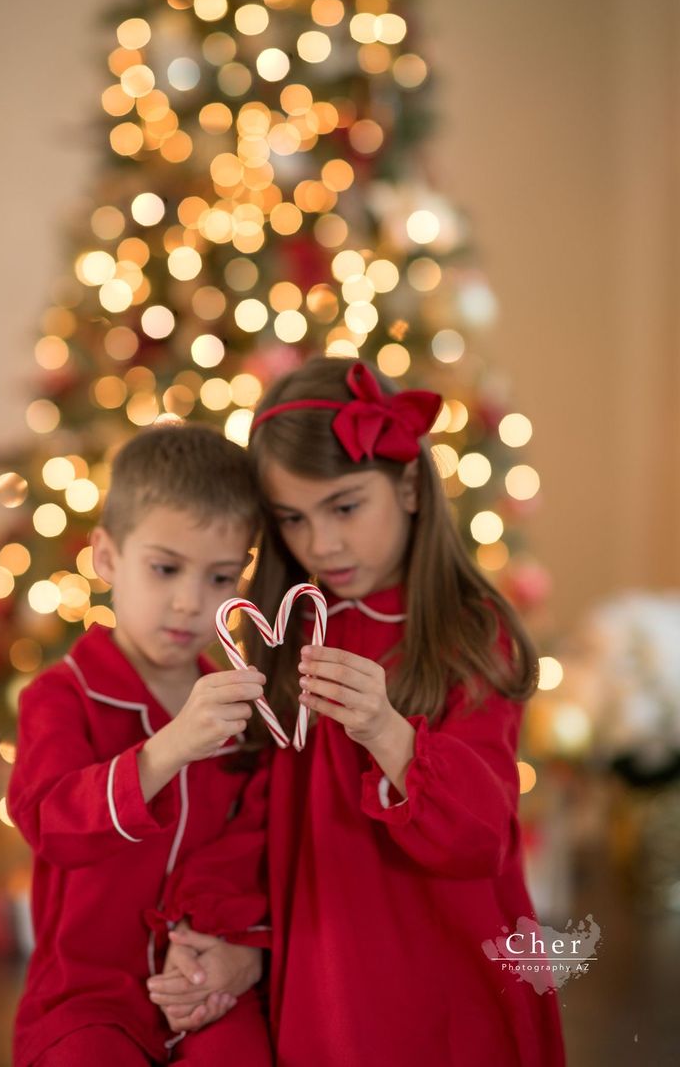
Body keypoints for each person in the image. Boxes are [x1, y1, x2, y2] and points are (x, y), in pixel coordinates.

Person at [240, 357, 566, 1066]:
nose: (321, 544)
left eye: (346, 507)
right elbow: (253, 813)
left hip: (450, 980)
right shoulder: (285, 632)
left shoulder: (469, 632)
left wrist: (388, 732)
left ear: (411, 485)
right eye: (292, 519)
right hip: (328, 980)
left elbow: (482, 836)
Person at [8, 423, 273, 1067]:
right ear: (106, 558)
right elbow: (52, 824)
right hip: (86, 1000)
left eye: (219, 577)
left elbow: (252, 850)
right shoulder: (61, 696)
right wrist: (168, 748)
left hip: (208, 991)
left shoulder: (241, 706)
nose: (189, 602)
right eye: (165, 568)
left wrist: (238, 953)